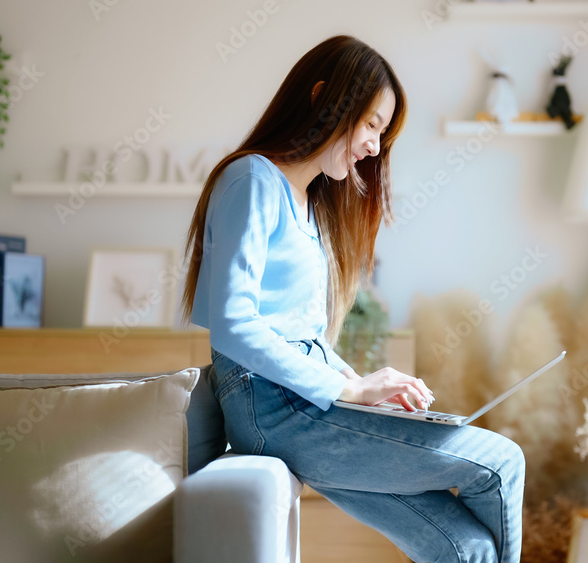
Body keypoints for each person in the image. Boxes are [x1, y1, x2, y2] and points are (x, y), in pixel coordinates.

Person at [181, 35, 525, 563]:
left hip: (299, 401)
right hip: (273, 409)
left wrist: (358, 383)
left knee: (465, 547)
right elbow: (233, 326)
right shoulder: (252, 179)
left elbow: (305, 337)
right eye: (371, 125)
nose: (374, 146)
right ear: (323, 99)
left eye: (382, 133)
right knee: (503, 464)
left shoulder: (310, 205)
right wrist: (347, 392)